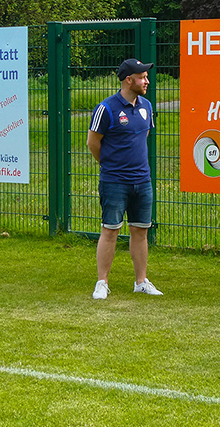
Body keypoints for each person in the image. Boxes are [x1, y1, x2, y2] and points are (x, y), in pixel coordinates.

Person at [86, 58, 162, 300]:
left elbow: (144, 136)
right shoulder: (106, 109)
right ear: (129, 80)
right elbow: (92, 143)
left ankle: (141, 281)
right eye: (142, 77)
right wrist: (110, 166)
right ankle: (102, 282)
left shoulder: (147, 106)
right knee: (110, 230)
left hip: (143, 180)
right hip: (114, 181)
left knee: (140, 230)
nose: (146, 81)